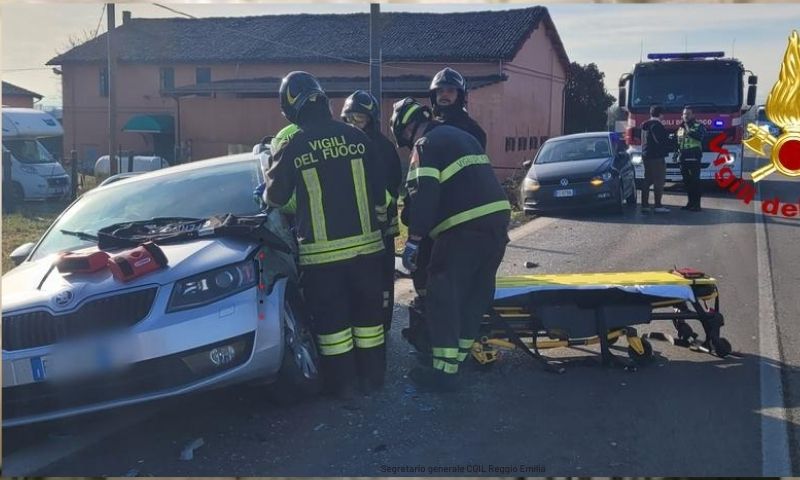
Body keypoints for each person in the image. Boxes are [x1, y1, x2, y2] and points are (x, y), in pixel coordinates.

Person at [265, 71, 387, 397]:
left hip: (323, 258)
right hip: (368, 252)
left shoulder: (293, 145)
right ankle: (373, 379)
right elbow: (383, 194)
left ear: (290, 110)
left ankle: (344, 386)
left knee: (334, 327)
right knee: (369, 322)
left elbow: (274, 198)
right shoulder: (358, 138)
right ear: (323, 100)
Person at [390, 97, 510, 393]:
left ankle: (444, 374)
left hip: (462, 230)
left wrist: (414, 240)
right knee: (473, 297)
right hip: (496, 228)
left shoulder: (425, 145)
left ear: (405, 130)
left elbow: (426, 194)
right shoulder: (462, 137)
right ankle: (458, 359)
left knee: (443, 296)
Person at [341, 90, 403, 332]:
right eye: (350, 118)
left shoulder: (382, 148)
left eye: (360, 118)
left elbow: (390, 188)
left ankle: (383, 323)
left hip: (382, 230)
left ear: (372, 119)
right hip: (353, 230)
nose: (355, 124)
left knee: (382, 282)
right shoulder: (343, 146)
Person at [429, 67, 487, 149]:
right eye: (440, 91)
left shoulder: (472, 130)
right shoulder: (431, 127)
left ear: (459, 96)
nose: (444, 94)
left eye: (450, 91)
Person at [640, 105, 671, 214]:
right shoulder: (656, 125)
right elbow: (660, 141)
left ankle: (645, 205)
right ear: (660, 114)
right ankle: (658, 205)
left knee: (647, 180)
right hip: (656, 157)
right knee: (659, 181)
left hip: (646, 155)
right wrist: (669, 142)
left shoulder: (645, 125)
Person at [676, 106, 706, 212]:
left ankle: (697, 205)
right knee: (687, 182)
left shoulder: (699, 126)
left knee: (695, 182)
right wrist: (676, 154)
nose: (686, 116)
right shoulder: (680, 128)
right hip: (683, 157)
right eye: (684, 114)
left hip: (694, 157)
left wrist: (687, 128)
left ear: (693, 115)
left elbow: (699, 137)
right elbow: (679, 142)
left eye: (688, 114)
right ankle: (690, 203)